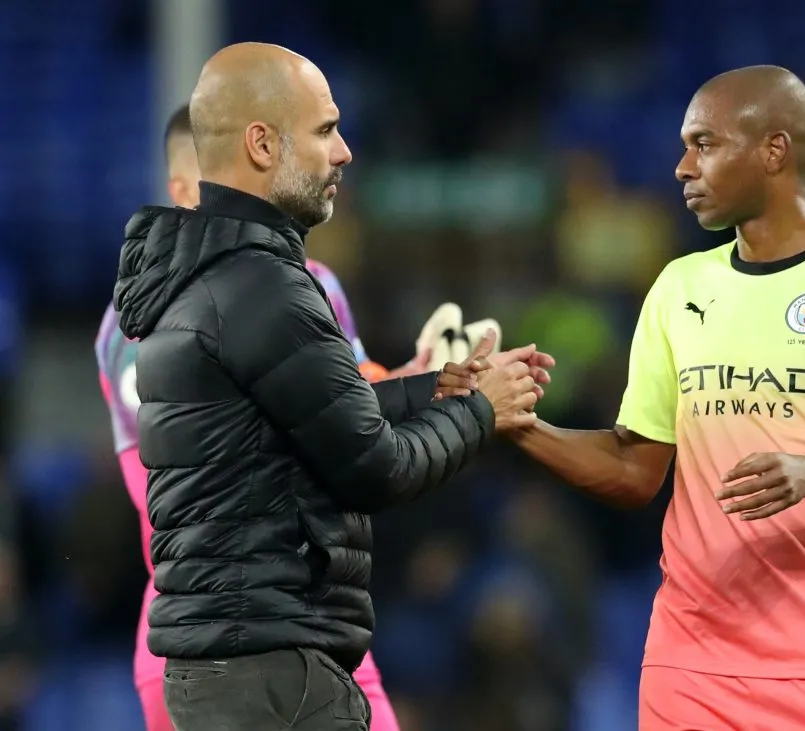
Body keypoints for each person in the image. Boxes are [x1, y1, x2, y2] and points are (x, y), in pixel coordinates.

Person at [508, 65, 805, 731]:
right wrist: (513, 424)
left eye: (705, 144)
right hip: (688, 666)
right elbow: (635, 469)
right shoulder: (677, 288)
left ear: (774, 150)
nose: (682, 167)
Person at [112, 42, 547, 731]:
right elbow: (378, 468)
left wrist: (430, 389)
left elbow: (284, 423)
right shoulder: (264, 288)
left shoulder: (202, 279)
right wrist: (480, 411)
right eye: (325, 130)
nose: (344, 152)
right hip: (275, 670)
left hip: (231, 662)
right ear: (261, 144)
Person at [96, 103, 456, 731]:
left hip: (291, 619)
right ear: (191, 189)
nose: (333, 157)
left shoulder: (315, 283)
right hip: (229, 630)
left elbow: (345, 404)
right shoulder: (139, 322)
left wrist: (428, 380)